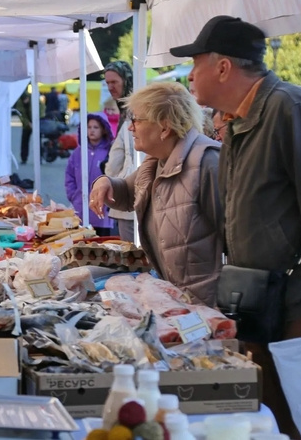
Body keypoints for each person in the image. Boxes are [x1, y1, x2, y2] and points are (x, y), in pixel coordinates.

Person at [170, 15, 301, 437]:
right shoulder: (237, 120)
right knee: (271, 415)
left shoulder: (291, 109)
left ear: (223, 68)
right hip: (257, 298)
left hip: (298, 305)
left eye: (196, 63)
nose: (190, 74)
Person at [90, 82, 223, 306]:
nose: (131, 128)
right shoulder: (155, 161)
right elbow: (127, 193)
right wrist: (105, 181)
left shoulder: (207, 162)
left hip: (206, 302)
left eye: (137, 120)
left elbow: (236, 240)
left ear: (165, 127)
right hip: (172, 295)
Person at [102, 61, 137, 242]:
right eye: (107, 83)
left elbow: (118, 157)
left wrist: (110, 180)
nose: (110, 87)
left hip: (129, 190)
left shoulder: (134, 111)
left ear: (126, 80)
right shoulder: (125, 109)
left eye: (114, 82)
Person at [65, 114, 115, 236]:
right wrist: (73, 195)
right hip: (80, 208)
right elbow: (69, 175)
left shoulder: (110, 152)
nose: (91, 130)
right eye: (89, 127)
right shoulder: (78, 152)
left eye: (96, 127)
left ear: (103, 130)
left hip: (102, 210)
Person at [14, 90, 34, 164]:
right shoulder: (19, 103)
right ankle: (24, 158)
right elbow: (21, 115)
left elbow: (40, 109)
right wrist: (27, 123)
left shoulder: (33, 99)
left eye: (26, 99)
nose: (25, 101)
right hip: (27, 125)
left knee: (38, 140)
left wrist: (36, 121)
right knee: (24, 141)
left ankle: (40, 157)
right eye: (24, 100)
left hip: (36, 121)